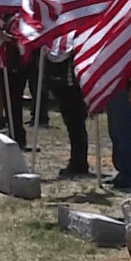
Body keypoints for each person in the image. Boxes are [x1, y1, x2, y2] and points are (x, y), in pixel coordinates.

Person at [47, 49, 89, 177]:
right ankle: (76, 160)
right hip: (61, 80)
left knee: (76, 123)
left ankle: (79, 162)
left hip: (72, 82)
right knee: (71, 124)